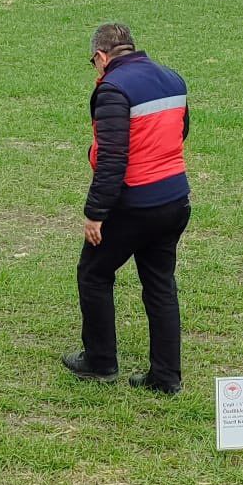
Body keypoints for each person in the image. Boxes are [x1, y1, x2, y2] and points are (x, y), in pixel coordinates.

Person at [63, 23, 190, 393]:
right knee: (160, 284)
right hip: (175, 200)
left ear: (102, 57)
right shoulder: (172, 78)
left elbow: (112, 160)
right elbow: (180, 133)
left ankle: (100, 361)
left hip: (134, 204)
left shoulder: (113, 89)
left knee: (93, 273)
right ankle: (166, 378)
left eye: (93, 62)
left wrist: (95, 213)